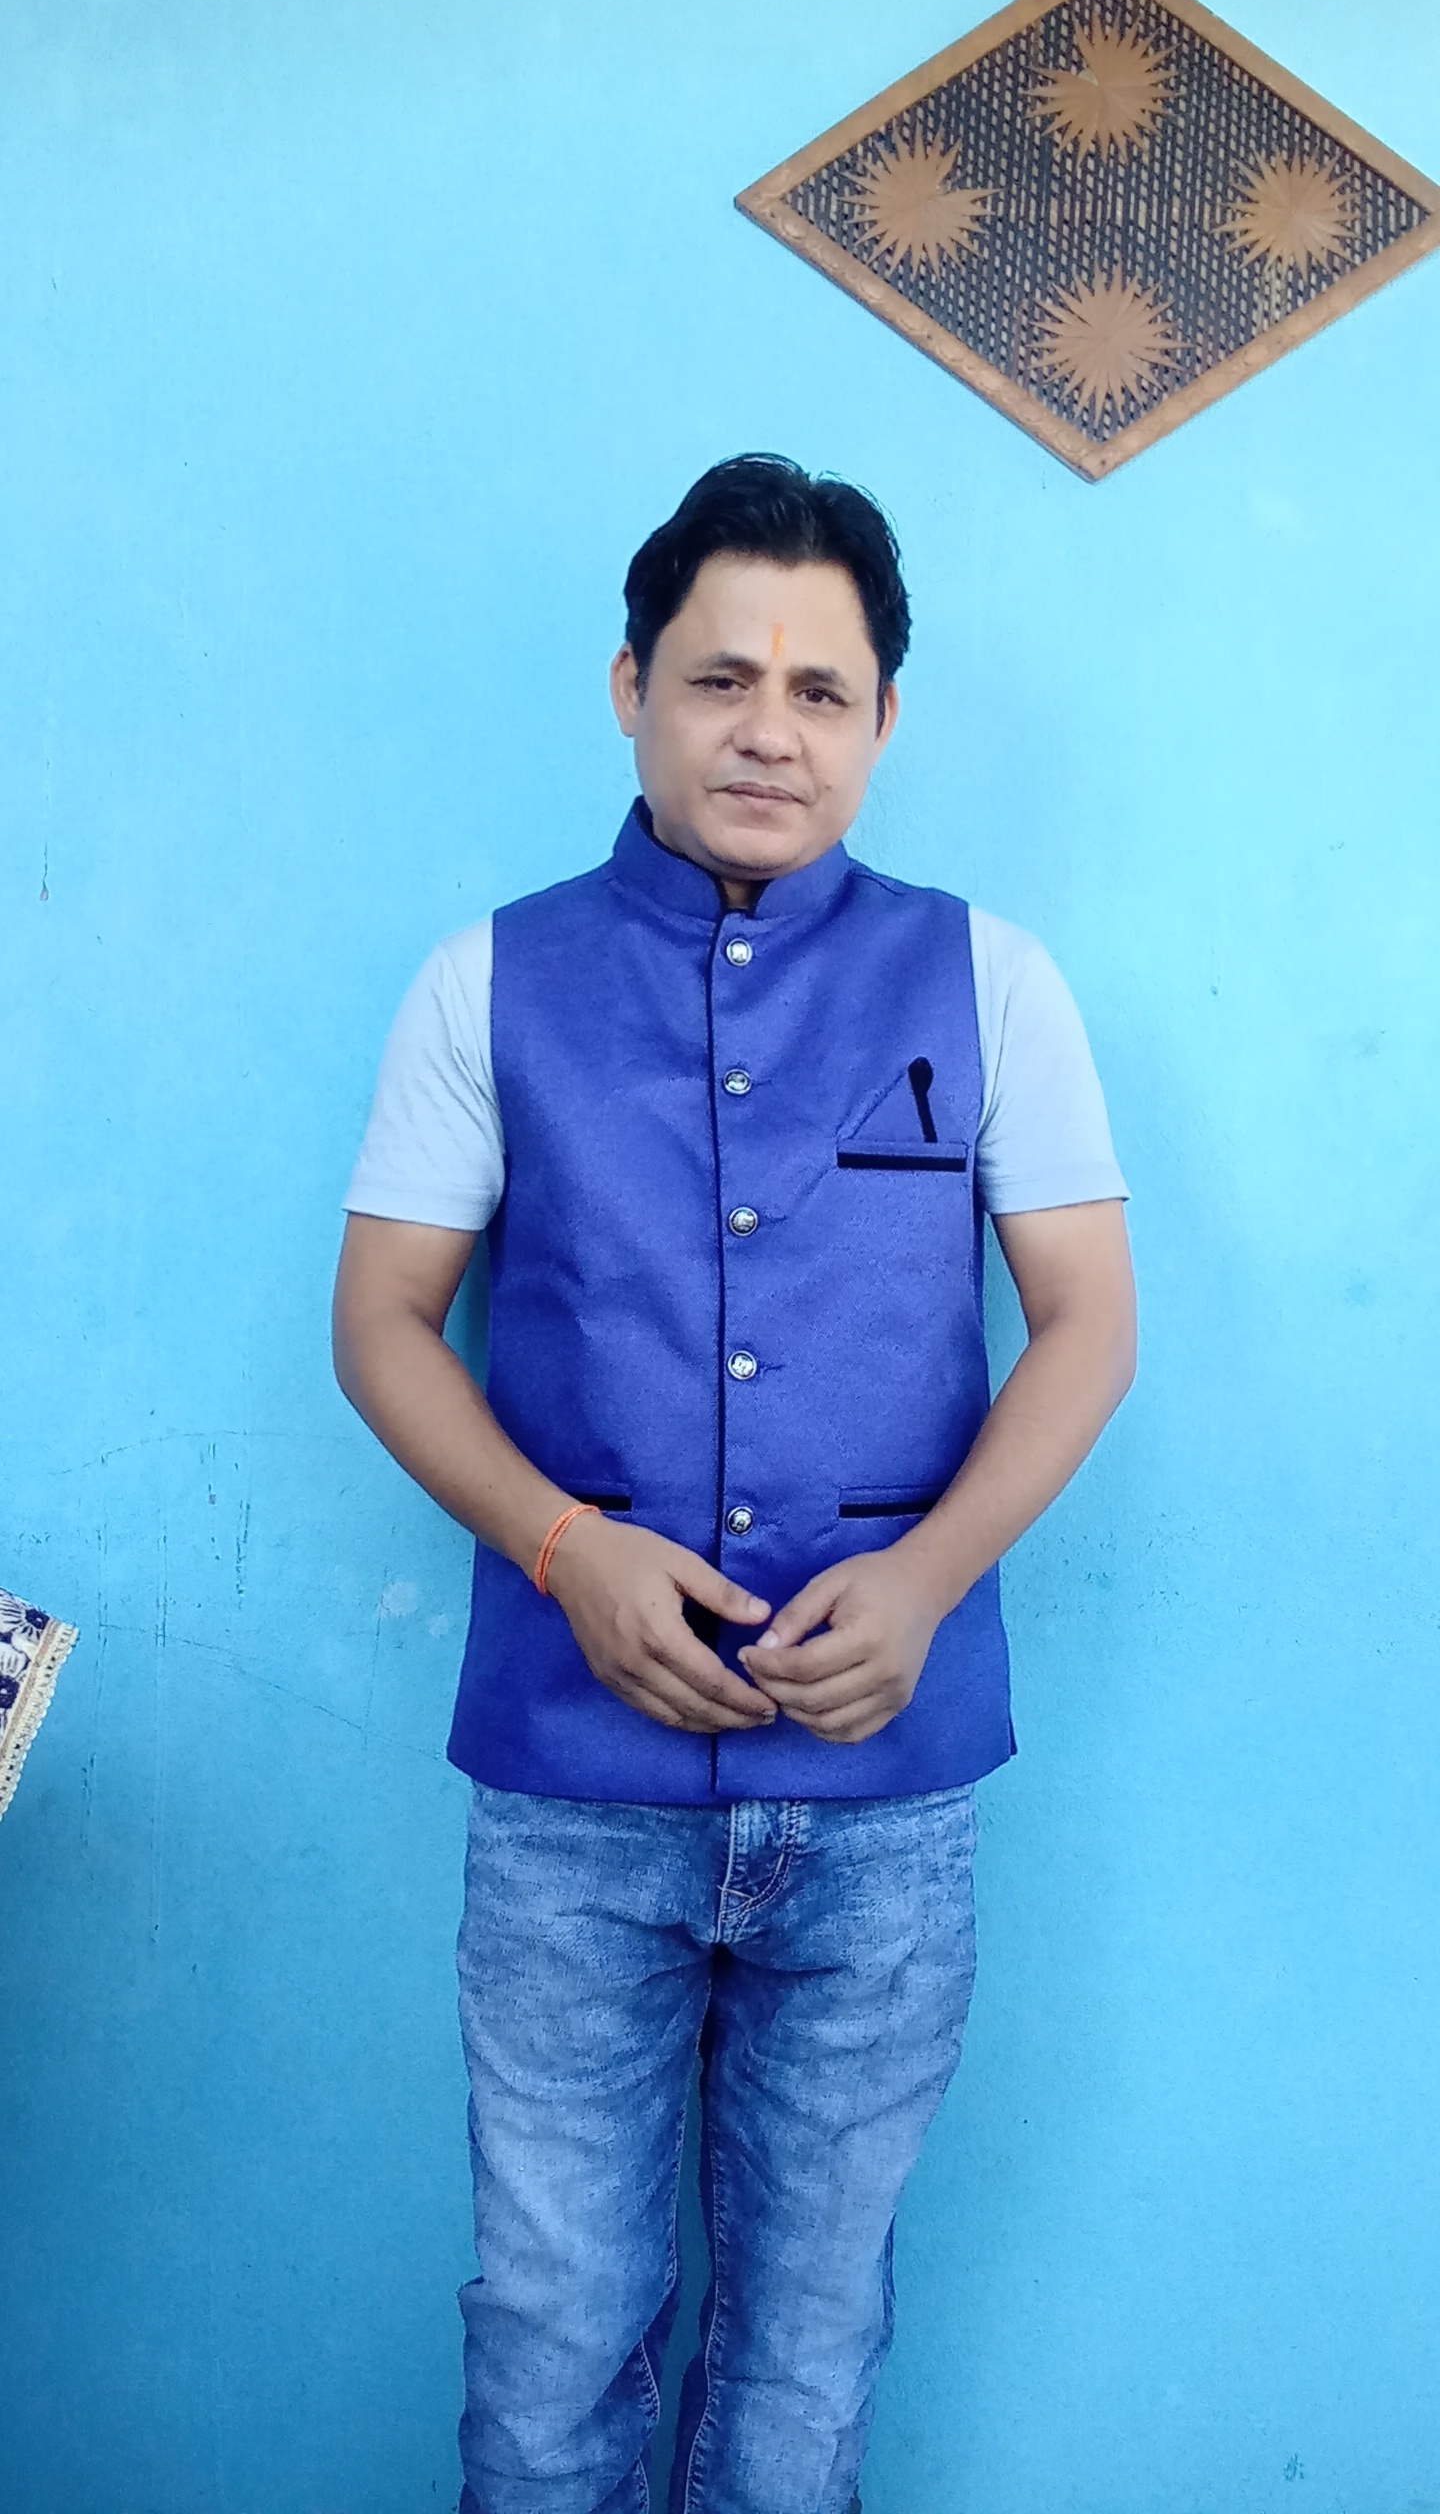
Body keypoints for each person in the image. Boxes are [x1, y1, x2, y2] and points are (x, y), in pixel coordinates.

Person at [333, 454, 1135, 2514]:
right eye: (719, 678)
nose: (770, 729)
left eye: (820, 688)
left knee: (807, 2354)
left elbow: (1088, 1323)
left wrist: (930, 1581)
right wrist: (562, 1548)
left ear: (883, 719)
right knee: (548, 2331)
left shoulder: (993, 981)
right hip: (569, 1797)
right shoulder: (487, 979)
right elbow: (385, 1321)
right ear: (631, 690)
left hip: (887, 1803)